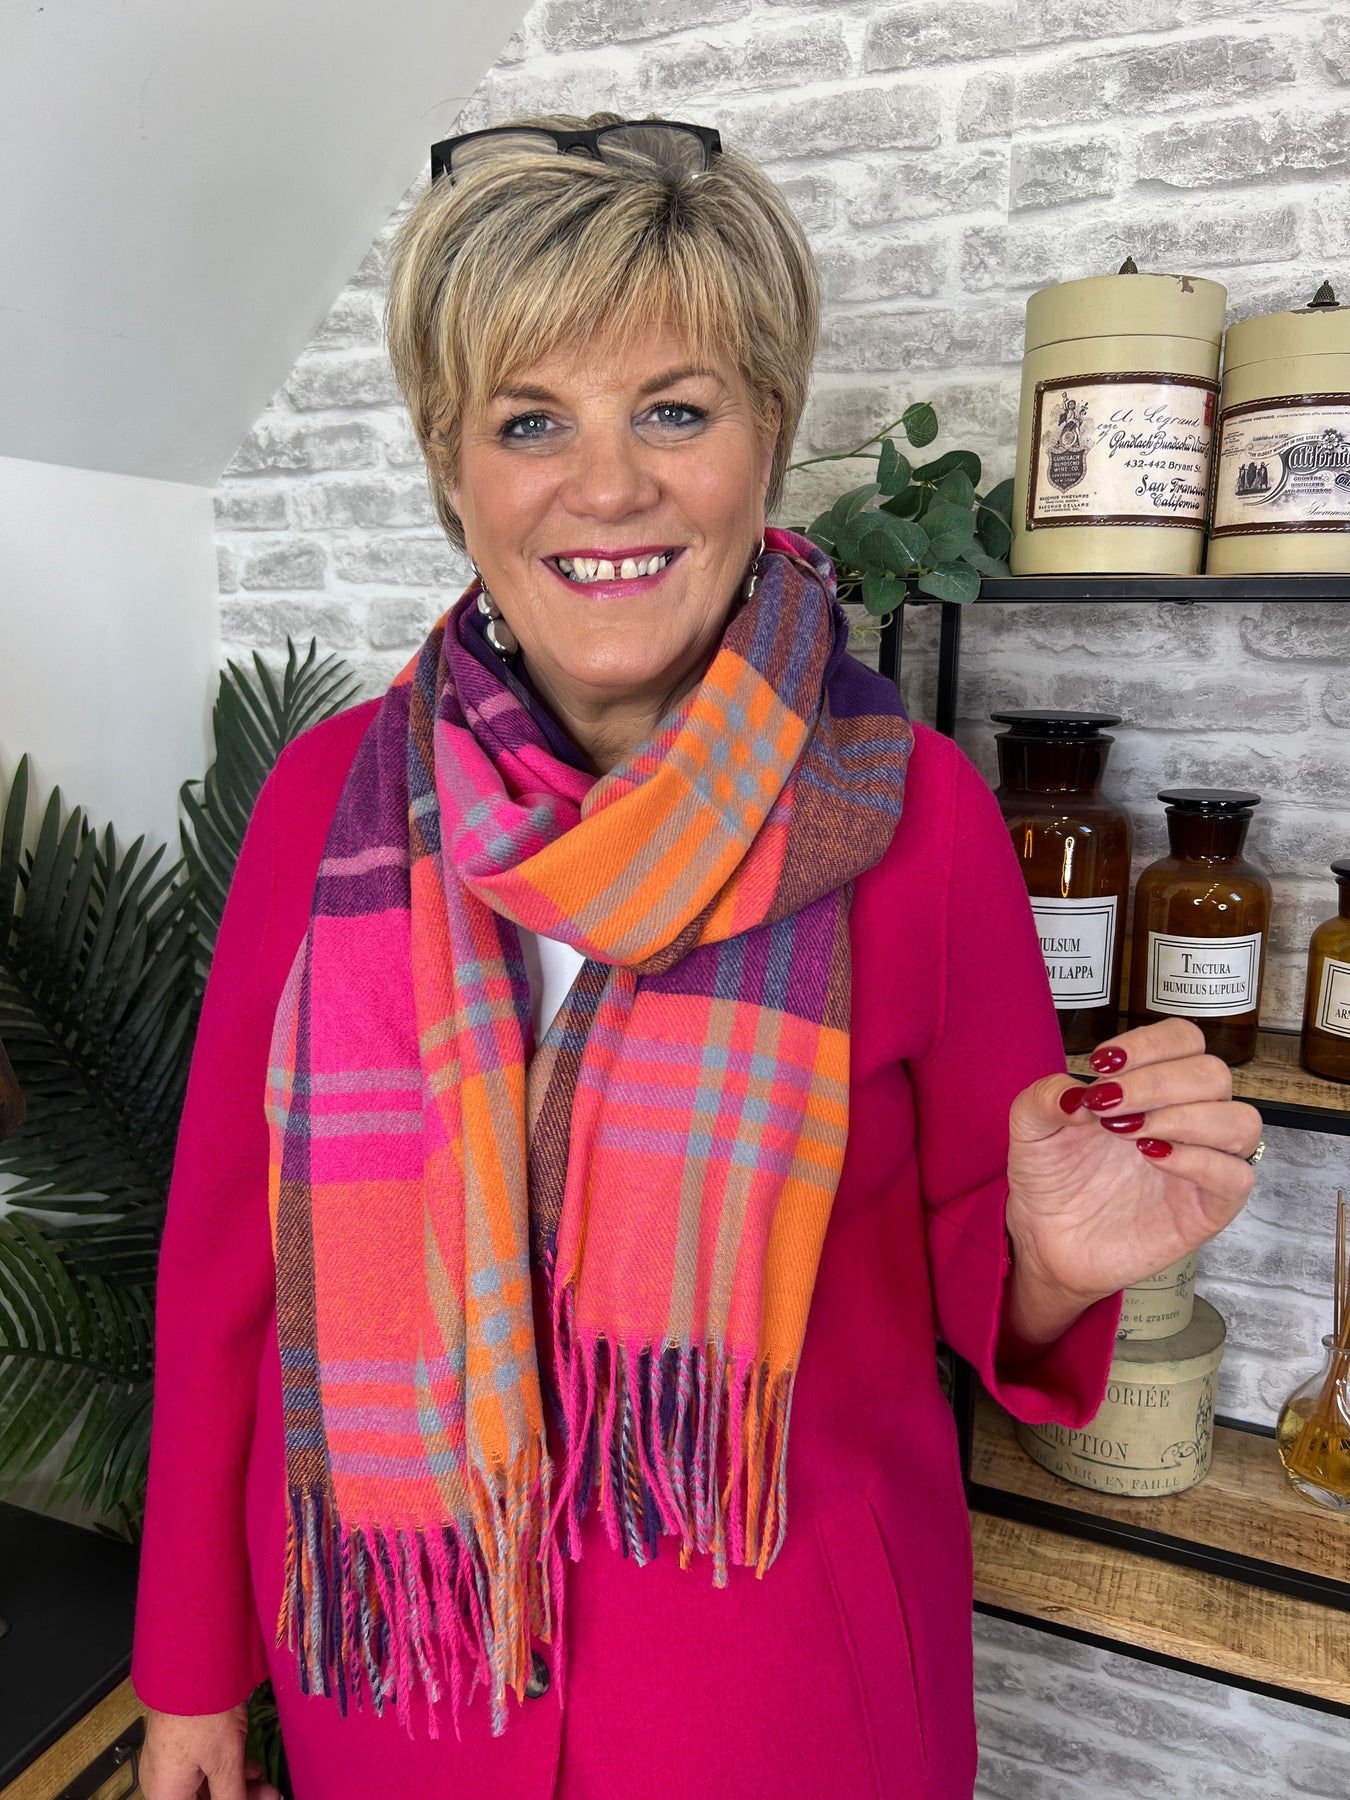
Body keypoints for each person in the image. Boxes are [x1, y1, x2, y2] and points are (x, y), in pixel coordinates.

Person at [133, 115, 1262, 1800]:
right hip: (412, 1683)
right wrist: (190, 1679)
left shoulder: (912, 813)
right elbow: (230, 1263)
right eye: (530, 420)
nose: (605, 488)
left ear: (765, 436)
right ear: (452, 467)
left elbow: (987, 1265)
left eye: (673, 409)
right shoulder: (326, 805)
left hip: (785, 1693)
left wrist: (1048, 1256)